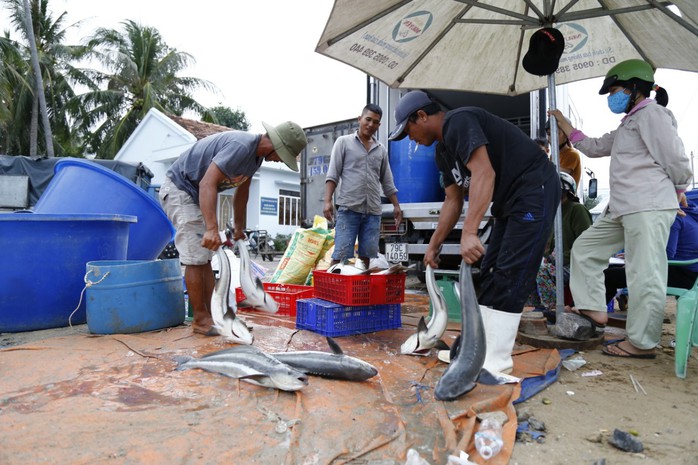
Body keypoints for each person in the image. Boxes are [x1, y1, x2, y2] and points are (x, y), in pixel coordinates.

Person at [389, 90, 560, 374]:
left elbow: (484, 173)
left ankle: (496, 360)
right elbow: (452, 200)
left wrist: (470, 232)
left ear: (422, 115)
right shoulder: (443, 152)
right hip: (509, 202)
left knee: (511, 271)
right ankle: (478, 352)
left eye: (408, 130)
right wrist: (434, 244)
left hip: (534, 189)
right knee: (491, 270)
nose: (410, 139)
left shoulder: (459, 121)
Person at [549, 58, 692, 358]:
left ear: (635, 88)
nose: (612, 97)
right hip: (624, 208)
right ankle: (593, 310)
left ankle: (642, 343)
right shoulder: (630, 122)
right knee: (585, 249)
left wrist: (678, 190)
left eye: (615, 90)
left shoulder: (653, 114)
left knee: (644, 274)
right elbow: (595, 146)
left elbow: (677, 159)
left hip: (648, 206)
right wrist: (566, 125)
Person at [159, 122, 308, 335]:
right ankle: (201, 320)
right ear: (276, 145)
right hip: (180, 189)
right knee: (195, 258)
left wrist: (239, 228)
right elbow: (207, 183)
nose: (279, 161)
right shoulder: (242, 146)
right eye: (281, 156)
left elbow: (242, 193)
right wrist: (212, 228)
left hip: (193, 193)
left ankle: (214, 316)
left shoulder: (254, 159)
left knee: (205, 258)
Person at [323, 104, 402, 269]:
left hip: (373, 212)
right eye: (368, 119)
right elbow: (333, 174)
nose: (371, 124)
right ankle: (332, 292)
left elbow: (387, 181)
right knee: (340, 256)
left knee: (367, 257)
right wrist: (327, 201)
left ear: (379, 125)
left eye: (375, 122)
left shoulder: (381, 150)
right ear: (360, 119)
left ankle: (361, 291)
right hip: (349, 208)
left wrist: (396, 205)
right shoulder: (343, 142)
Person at [604, 201, 698, 304]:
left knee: (608, 275)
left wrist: (635, 259)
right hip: (691, 275)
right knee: (616, 271)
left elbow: (667, 253)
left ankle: (595, 315)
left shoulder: (675, 218)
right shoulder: (691, 217)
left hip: (679, 274)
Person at [531, 172, 593, 309]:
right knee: (528, 267)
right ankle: (536, 308)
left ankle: (553, 309)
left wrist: (558, 258)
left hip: (575, 264)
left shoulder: (577, 210)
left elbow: (587, 244)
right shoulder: (553, 212)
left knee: (541, 270)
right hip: (557, 263)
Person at [546, 117, 582, 187]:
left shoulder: (571, 154)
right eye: (549, 134)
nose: (551, 138)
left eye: (556, 133)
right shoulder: (553, 156)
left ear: (566, 135)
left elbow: (557, 175)